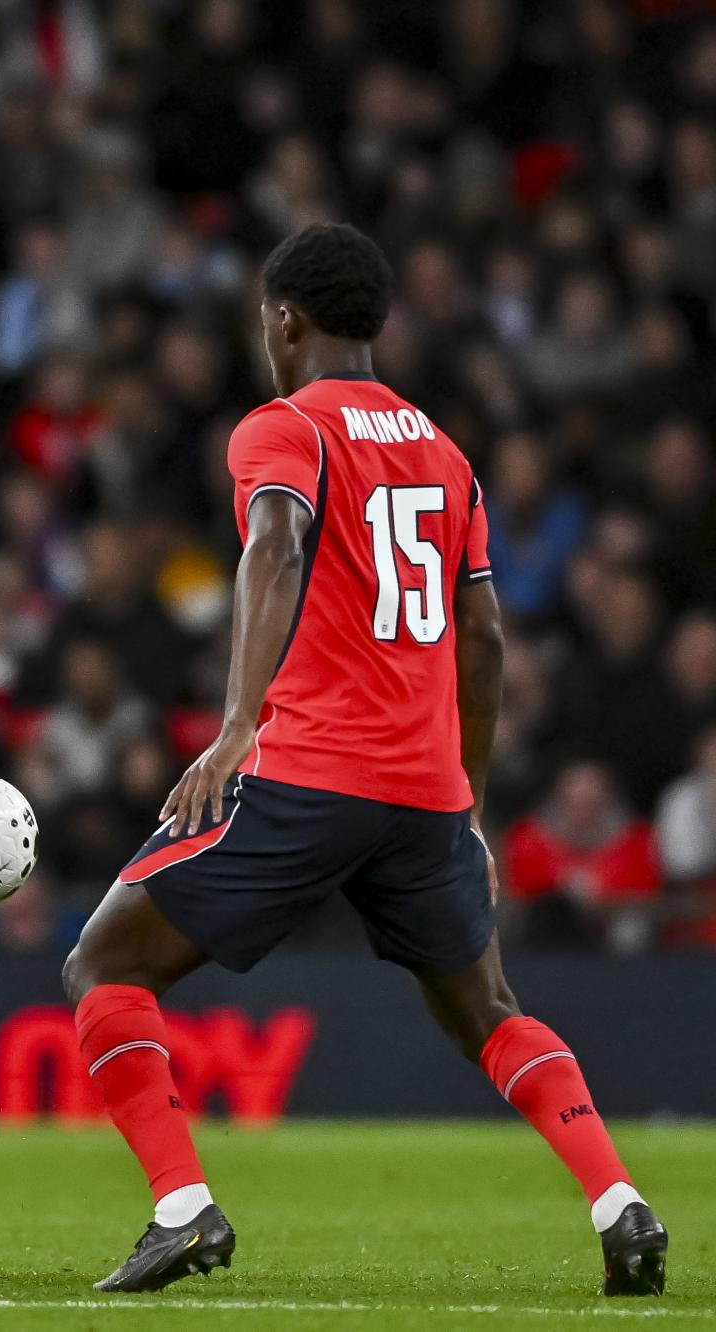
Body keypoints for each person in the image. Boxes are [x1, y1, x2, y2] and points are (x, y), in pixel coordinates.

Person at [59, 224, 667, 1297]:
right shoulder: (443, 452)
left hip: (304, 771)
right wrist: (467, 804)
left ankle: (182, 1209)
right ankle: (618, 1204)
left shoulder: (280, 428)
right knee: (489, 1008)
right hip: (423, 791)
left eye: (263, 315)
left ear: (284, 317)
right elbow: (481, 636)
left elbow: (274, 544)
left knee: (103, 965)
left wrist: (239, 722)